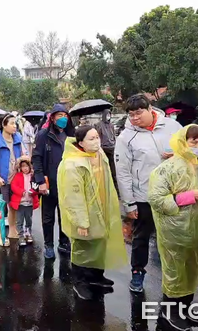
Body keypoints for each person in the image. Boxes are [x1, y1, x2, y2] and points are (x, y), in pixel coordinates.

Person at [147, 124, 198, 330]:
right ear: (183, 142)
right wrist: (191, 196)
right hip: (174, 232)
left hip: (197, 230)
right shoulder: (166, 168)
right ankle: (169, 313)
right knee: (175, 273)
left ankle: (185, 309)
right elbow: (156, 199)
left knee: (190, 272)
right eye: (193, 142)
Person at [115, 93, 182, 293]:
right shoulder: (126, 137)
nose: (134, 118)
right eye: (131, 114)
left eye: (138, 113)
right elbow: (123, 172)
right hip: (143, 195)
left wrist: (178, 154)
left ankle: (175, 276)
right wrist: (129, 203)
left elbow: (191, 149)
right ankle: (137, 272)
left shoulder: (173, 128)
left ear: (150, 109)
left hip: (172, 193)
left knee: (172, 236)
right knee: (141, 237)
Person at [57, 126, 126, 300]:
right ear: (80, 143)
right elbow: (73, 197)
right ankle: (80, 283)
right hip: (84, 214)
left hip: (101, 209)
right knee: (82, 249)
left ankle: (96, 277)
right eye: (91, 139)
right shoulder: (72, 163)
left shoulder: (99, 155)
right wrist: (81, 222)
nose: (96, 142)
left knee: (99, 244)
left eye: (97, 137)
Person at [32, 104, 75, 259]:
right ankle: (48, 244)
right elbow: (36, 158)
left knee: (65, 215)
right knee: (48, 217)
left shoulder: (71, 134)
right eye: (59, 115)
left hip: (67, 183)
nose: (63, 118)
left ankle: (64, 241)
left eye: (65, 115)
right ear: (52, 117)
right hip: (49, 182)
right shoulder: (44, 135)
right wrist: (40, 180)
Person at [0, 113, 25, 246]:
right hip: (0, 180)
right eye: (12, 123)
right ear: (4, 125)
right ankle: (1, 235)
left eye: (15, 123)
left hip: (13, 179)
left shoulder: (17, 140)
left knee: (13, 207)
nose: (15, 126)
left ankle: (13, 231)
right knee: (0, 208)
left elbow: (22, 155)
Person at [10, 157, 39, 246]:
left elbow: (36, 187)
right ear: (20, 168)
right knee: (19, 220)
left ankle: (28, 233)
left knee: (29, 219)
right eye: (23, 166)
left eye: (27, 166)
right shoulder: (18, 176)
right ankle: (21, 236)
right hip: (20, 203)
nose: (25, 168)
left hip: (29, 203)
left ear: (30, 167)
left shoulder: (33, 176)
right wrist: (21, 191)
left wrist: (33, 192)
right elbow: (13, 186)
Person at [94, 109, 118, 192]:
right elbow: (97, 136)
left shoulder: (111, 125)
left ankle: (116, 190)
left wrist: (114, 143)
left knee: (114, 171)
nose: (108, 116)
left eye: (109, 114)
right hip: (103, 148)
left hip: (112, 148)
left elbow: (113, 136)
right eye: (107, 114)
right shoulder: (98, 125)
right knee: (104, 170)